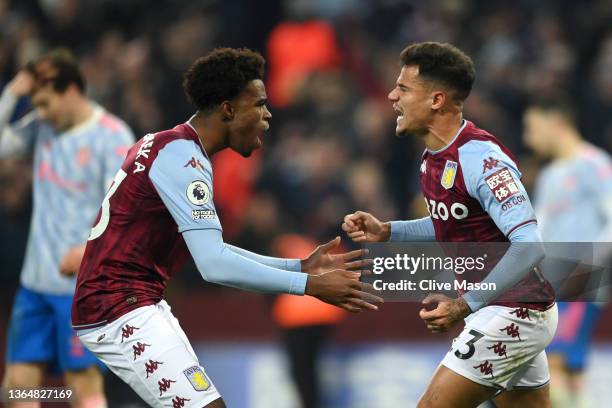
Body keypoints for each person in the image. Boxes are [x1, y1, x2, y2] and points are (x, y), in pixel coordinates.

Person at [71, 47, 381, 408]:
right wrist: (307, 285)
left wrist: (297, 266)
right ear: (228, 109)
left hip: (135, 302)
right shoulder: (184, 159)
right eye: (260, 104)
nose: (267, 115)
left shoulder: (166, 145)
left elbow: (215, 250)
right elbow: (213, 264)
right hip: (117, 307)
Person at [342, 42, 556, 408]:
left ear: (437, 100)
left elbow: (530, 244)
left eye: (404, 88)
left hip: (514, 308)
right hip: (505, 308)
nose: (392, 96)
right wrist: (388, 231)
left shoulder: (483, 159)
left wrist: (464, 304)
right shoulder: (433, 159)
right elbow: (452, 222)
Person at [0, 48, 134, 407]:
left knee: (82, 383)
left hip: (80, 287)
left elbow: (124, 210)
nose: (40, 113)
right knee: (17, 385)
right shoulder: (42, 127)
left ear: (72, 90)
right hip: (34, 285)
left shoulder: (112, 135)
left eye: (45, 103)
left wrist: (91, 252)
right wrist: (13, 92)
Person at [524, 98, 612, 408]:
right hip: (554, 288)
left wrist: (588, 269)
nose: (528, 138)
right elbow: (538, 232)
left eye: (533, 128)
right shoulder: (550, 176)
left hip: (582, 284)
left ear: (556, 123)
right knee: (570, 373)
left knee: (554, 365)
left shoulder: (594, 164)